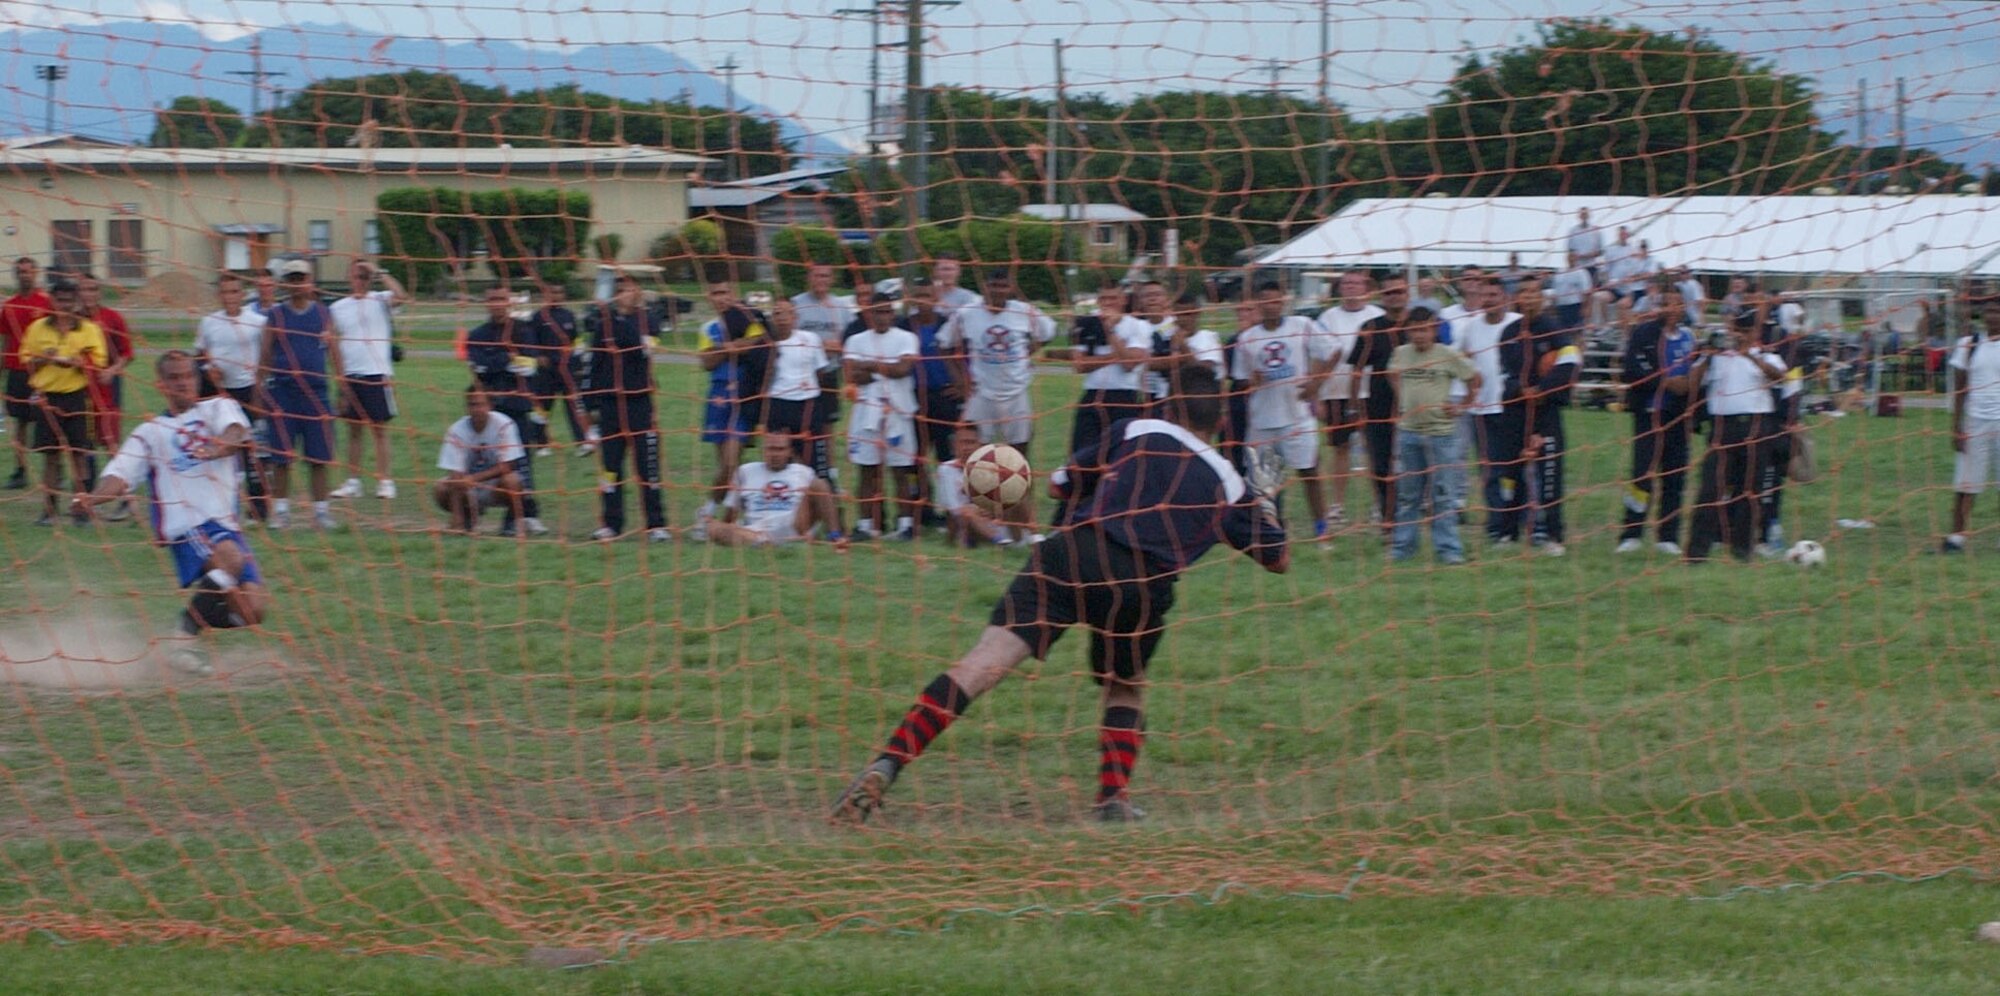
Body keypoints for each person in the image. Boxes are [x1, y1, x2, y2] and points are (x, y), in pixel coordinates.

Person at [830, 366, 1288, 825]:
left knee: (981, 664)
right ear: (1222, 421)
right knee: (1124, 687)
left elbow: (1059, 484)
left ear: (1168, 406)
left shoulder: (1139, 427)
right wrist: (1264, 501)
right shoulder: (1230, 483)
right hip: (1141, 585)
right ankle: (1112, 798)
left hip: (1072, 553)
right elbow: (1278, 559)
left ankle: (889, 761)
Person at [72, 351, 268, 677]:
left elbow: (236, 433)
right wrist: (92, 499)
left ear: (197, 379)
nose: (183, 383)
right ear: (161, 385)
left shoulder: (219, 407)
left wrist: (219, 447)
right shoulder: (151, 432)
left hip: (226, 524)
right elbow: (119, 476)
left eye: (188, 376)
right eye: (174, 378)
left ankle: (187, 630)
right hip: (187, 526)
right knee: (230, 558)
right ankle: (181, 644)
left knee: (252, 611)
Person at [1231, 280, 1336, 537]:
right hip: (1262, 420)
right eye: (1265, 301)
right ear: (1258, 304)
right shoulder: (1247, 339)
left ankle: (1322, 527)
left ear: (1284, 301)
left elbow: (1333, 351)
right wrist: (1251, 383)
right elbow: (1241, 380)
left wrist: (1316, 384)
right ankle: (1272, 530)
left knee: (1309, 471)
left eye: (1276, 301)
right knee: (1264, 481)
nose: (1271, 306)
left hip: (1297, 417)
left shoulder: (1301, 326)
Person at [1684, 318, 1787, 562]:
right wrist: (1707, 355)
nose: (1740, 335)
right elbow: (1692, 384)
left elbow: (1780, 376)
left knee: (1750, 492)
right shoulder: (1716, 356)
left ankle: (1742, 550)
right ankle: (1697, 553)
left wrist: (1749, 356)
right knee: (1710, 489)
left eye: (1746, 330)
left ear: (1754, 332)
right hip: (1722, 428)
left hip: (1755, 427)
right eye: (1736, 330)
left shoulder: (1765, 355)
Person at [1387, 308, 1479, 564]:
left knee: (1442, 494)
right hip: (1409, 433)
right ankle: (1403, 548)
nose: (1420, 335)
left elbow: (1474, 378)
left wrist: (1461, 406)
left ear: (1435, 330)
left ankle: (1449, 550)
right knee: (1408, 495)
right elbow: (1392, 374)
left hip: (1441, 435)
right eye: (1415, 329)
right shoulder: (1401, 354)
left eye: (1425, 329)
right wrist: (1404, 400)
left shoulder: (1447, 355)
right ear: (1408, 331)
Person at [584, 272, 669, 542]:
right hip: (610, 406)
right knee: (610, 467)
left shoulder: (649, 320)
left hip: (639, 403)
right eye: (619, 288)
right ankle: (611, 523)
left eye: (629, 288)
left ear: (639, 291)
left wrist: (620, 316)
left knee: (647, 466)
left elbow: (641, 350)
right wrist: (590, 403)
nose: (623, 292)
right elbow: (594, 364)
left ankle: (655, 524)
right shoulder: (602, 325)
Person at [1497, 276, 1580, 554]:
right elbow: (1503, 375)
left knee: (1549, 473)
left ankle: (1554, 536)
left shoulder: (1555, 330)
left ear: (1542, 297)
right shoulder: (1508, 333)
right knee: (1511, 473)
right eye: (1523, 291)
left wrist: (1543, 390)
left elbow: (1570, 363)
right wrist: (1521, 390)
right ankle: (1508, 532)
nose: (1529, 296)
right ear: (1517, 298)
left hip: (1546, 413)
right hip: (1515, 412)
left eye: (1534, 291)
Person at [259, 259, 342, 530]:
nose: (297, 284)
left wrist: (343, 387)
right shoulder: (276, 315)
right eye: (292, 279)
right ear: (285, 283)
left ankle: (321, 512)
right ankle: (281, 512)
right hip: (283, 393)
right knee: (281, 457)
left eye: (302, 278)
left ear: (310, 281)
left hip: (316, 394)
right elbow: (265, 354)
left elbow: (335, 351)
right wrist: (259, 391)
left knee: (319, 458)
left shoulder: (323, 314)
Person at [1616, 283, 1696, 555]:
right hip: (1649, 416)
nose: (1671, 308)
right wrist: (1665, 382)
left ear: (1683, 306)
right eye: (1666, 302)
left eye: (1676, 303)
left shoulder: (1688, 337)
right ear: (1658, 306)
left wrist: (1691, 383)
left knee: (1675, 476)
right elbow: (1631, 370)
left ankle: (1668, 536)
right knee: (1642, 475)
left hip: (1678, 418)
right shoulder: (1643, 333)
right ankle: (1631, 533)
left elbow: (1695, 373)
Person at [463, 285, 550, 537]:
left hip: (518, 407)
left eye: (501, 298)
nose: (497, 303)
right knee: (484, 463)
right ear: (486, 302)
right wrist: (507, 360)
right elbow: (479, 368)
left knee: (520, 464)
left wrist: (498, 364)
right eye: (492, 298)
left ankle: (521, 517)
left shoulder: (524, 331)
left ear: (509, 301)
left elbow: (529, 366)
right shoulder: (477, 334)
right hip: (488, 412)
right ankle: (471, 510)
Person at [21, 277, 107, 526]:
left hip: (77, 398)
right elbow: (26, 362)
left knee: (79, 455)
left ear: (76, 301)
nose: (64, 305)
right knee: (51, 456)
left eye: (69, 300)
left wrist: (81, 364)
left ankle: (80, 510)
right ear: (52, 300)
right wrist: (45, 358)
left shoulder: (89, 329)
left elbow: (98, 364)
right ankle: (49, 510)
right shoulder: (38, 328)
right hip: (47, 399)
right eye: (60, 300)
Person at [939, 269, 1055, 453]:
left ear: (1010, 288)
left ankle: (1019, 482)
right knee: (977, 453)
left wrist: (1028, 350)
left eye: (1003, 286)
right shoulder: (967, 313)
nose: (998, 291)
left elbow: (1049, 332)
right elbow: (944, 343)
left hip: (1016, 392)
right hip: (982, 393)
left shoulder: (1024, 311)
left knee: (1019, 455)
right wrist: (960, 379)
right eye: (994, 285)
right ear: (985, 286)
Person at [693, 278, 773, 532]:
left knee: (731, 462)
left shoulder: (747, 318)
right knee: (726, 467)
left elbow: (755, 345)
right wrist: (733, 348)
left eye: (725, 292)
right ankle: (721, 514)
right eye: (715, 292)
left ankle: (710, 512)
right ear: (709, 296)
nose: (721, 297)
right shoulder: (708, 328)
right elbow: (706, 362)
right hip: (717, 398)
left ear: (734, 293)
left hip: (743, 396)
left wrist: (724, 349)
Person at [193, 272, 272, 521]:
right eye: (225, 292)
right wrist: (208, 370)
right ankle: (220, 505)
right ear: (219, 295)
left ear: (243, 294)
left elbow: (267, 357)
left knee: (254, 453)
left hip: (249, 391)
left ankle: (259, 510)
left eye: (235, 292)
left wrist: (260, 387)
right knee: (221, 449)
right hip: (218, 394)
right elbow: (199, 355)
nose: (230, 297)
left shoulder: (258, 321)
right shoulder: (208, 322)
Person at [761, 300, 843, 537]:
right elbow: (762, 382)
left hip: (808, 406)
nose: (781, 317)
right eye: (776, 313)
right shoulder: (767, 345)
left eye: (786, 313)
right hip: (779, 405)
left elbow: (822, 373)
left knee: (817, 468)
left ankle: (834, 528)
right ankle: (779, 519)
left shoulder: (810, 339)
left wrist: (825, 407)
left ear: (794, 316)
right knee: (781, 463)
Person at [844, 298, 922, 541]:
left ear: (893, 314)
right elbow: (851, 375)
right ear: (868, 314)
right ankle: (867, 526)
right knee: (867, 471)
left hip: (898, 412)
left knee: (901, 470)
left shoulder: (906, 338)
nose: (882, 317)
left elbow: (903, 370)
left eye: (887, 312)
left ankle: (906, 524)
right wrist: (885, 369)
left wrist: (869, 365)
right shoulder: (856, 340)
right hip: (866, 414)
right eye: (877, 312)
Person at [327, 259, 405, 501]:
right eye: (355, 276)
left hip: (377, 373)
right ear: (349, 278)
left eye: (363, 277)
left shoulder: (380, 300)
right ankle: (353, 481)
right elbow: (331, 342)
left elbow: (401, 296)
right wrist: (340, 378)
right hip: (351, 376)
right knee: (353, 431)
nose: (359, 281)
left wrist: (378, 271)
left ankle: (385, 481)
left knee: (379, 430)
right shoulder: (338, 307)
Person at [1314, 270, 1384, 531]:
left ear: (1366, 287)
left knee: (1374, 449)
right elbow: (1320, 357)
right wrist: (1318, 395)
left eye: (1356, 283)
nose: (1351, 288)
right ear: (1339, 288)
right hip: (1336, 393)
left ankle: (1379, 504)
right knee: (1340, 449)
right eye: (1346, 283)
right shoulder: (1327, 318)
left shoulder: (1376, 316)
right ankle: (1337, 506)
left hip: (1370, 393)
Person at [1451, 278, 1517, 546]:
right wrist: (1468, 393)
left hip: (1514, 407)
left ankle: (1523, 520)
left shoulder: (1517, 324)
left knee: (1518, 468)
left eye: (1494, 294)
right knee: (1489, 469)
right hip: (1482, 409)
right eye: (1484, 295)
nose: (1488, 299)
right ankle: (1496, 523)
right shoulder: (1471, 328)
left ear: (1505, 297)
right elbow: (1463, 362)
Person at [1351, 274, 1414, 535]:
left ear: (1407, 293)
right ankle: (1389, 520)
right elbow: (1356, 371)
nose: (1394, 296)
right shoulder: (1370, 328)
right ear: (1381, 296)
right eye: (1388, 293)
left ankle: (1419, 515)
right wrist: (1354, 407)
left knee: (1417, 463)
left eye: (1398, 291)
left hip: (1416, 406)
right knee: (1381, 466)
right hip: (1378, 407)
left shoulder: (1420, 324)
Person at [705, 432, 845, 547]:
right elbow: (731, 514)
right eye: (770, 448)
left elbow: (817, 506)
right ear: (763, 450)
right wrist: (725, 529)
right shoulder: (745, 471)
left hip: (793, 525)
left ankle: (835, 537)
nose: (775, 454)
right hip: (756, 530)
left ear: (789, 451)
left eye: (780, 449)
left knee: (820, 485)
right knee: (713, 527)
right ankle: (762, 541)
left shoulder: (803, 472)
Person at [1066, 283, 1151, 459]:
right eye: (1104, 298)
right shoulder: (1086, 322)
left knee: (1122, 457)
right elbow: (1079, 365)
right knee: (1083, 457)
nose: (1108, 303)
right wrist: (1115, 356)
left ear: (1124, 300)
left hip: (1124, 397)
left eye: (1113, 298)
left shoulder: (1139, 326)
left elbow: (1129, 365)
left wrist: (1110, 330)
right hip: (1093, 395)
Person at [433, 384, 527, 534]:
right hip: (467, 488)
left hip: (494, 485)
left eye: (480, 404)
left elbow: (508, 465)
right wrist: (456, 516)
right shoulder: (456, 431)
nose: (476, 409)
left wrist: (474, 478)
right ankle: (466, 518)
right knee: (440, 488)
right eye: (472, 405)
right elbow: (455, 476)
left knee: (513, 481)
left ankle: (512, 522)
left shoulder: (505, 425)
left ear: (490, 405)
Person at [1945, 296, 2000, 553]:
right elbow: (1960, 389)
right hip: (1975, 422)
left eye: (1997, 311)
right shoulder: (1969, 345)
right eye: (1989, 311)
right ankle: (1956, 538)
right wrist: (1956, 426)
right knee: (1966, 483)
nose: (1992, 316)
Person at [76, 272, 132, 501]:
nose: (88, 294)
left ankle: (123, 495)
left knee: (110, 441)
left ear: (99, 292)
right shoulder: (73, 320)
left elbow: (127, 353)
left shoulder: (112, 318)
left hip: (108, 386)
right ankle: (87, 495)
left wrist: (112, 370)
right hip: (79, 388)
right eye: (84, 289)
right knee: (83, 443)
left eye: (93, 289)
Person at [527, 279, 596, 456]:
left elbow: (577, 341)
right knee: (542, 408)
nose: (556, 296)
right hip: (546, 372)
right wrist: (537, 356)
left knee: (574, 407)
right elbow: (529, 341)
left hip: (567, 370)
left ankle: (582, 443)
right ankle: (541, 444)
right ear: (546, 295)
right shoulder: (538, 317)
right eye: (552, 293)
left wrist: (579, 363)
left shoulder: (569, 316)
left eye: (559, 293)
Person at [935, 422, 1026, 548]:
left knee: (1017, 494)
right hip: (965, 524)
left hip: (993, 517)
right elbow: (953, 508)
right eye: (962, 442)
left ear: (980, 445)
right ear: (954, 445)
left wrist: (991, 508)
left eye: (971, 442)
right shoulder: (946, 470)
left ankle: (1026, 538)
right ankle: (1000, 541)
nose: (966, 448)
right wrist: (978, 508)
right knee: (967, 512)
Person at [2, 257, 50, 490]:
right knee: (20, 423)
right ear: (15, 274)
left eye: (28, 271)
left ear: (36, 273)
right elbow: (5, 338)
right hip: (17, 372)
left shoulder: (46, 302)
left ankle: (53, 473)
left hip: (41, 372)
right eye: (20, 271)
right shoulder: (10, 305)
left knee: (47, 421)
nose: (24, 275)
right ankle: (20, 471)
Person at [1146, 291, 1225, 407]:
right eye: (1179, 314)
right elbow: (1150, 364)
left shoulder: (1208, 338)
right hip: (1165, 398)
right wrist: (1184, 359)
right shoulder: (1163, 335)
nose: (1183, 319)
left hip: (1199, 400)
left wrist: (1182, 347)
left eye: (1187, 314)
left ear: (1197, 313)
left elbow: (1203, 373)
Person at [1548, 251, 1593, 334]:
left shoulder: (1582, 272)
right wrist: (1553, 305)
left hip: (1575, 306)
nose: (1571, 258)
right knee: (1562, 333)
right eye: (1569, 256)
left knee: (1577, 333)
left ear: (1576, 258)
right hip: (1561, 307)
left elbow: (1587, 292)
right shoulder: (1559, 272)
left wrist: (1586, 308)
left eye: (1573, 256)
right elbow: (1554, 290)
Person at [929, 254, 983, 318]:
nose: (948, 273)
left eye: (952, 269)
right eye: (944, 269)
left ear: (959, 272)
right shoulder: (924, 295)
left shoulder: (971, 298)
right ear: (935, 271)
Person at [1567, 207, 1603, 278]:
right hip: (1577, 267)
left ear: (1589, 215)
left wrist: (1590, 255)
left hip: (1591, 267)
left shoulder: (1596, 230)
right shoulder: (1573, 231)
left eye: (1586, 214)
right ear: (1579, 216)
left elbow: (1601, 251)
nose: (1584, 216)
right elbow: (1570, 250)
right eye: (1582, 214)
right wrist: (1576, 257)